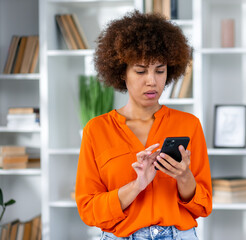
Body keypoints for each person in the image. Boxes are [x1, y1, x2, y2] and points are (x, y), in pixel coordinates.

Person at [75, 10, 212, 240]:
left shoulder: (189, 125)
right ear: (122, 73)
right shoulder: (97, 130)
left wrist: (183, 176)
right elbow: (89, 210)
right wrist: (137, 185)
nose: (152, 80)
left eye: (160, 70)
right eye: (140, 71)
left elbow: (203, 206)